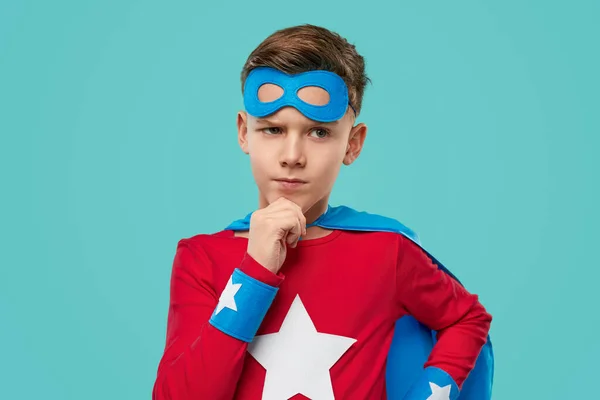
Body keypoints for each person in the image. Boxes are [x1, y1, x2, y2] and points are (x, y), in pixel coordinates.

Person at [152, 24, 493, 400]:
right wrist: (255, 271)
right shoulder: (202, 258)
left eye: (318, 133)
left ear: (353, 143)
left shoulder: (386, 252)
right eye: (272, 129)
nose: (292, 156)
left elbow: (468, 318)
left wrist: (429, 393)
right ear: (244, 133)